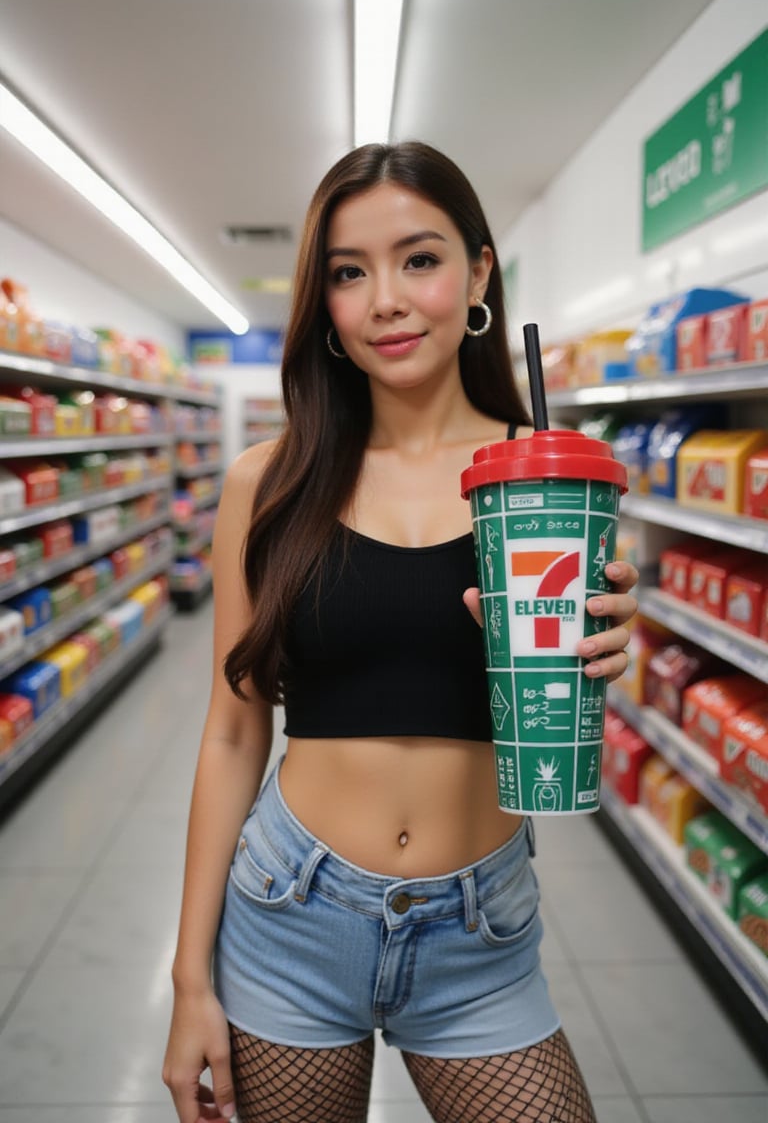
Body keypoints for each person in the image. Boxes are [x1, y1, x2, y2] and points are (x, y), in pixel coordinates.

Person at [162, 141, 639, 1123]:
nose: (385, 297)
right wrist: (188, 981)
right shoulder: (270, 480)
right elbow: (232, 728)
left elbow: (555, 688)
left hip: (482, 933)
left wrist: (596, 654)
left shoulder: (545, 479)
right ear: (324, 303)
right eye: (349, 271)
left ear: (478, 272)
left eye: (419, 258)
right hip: (290, 914)